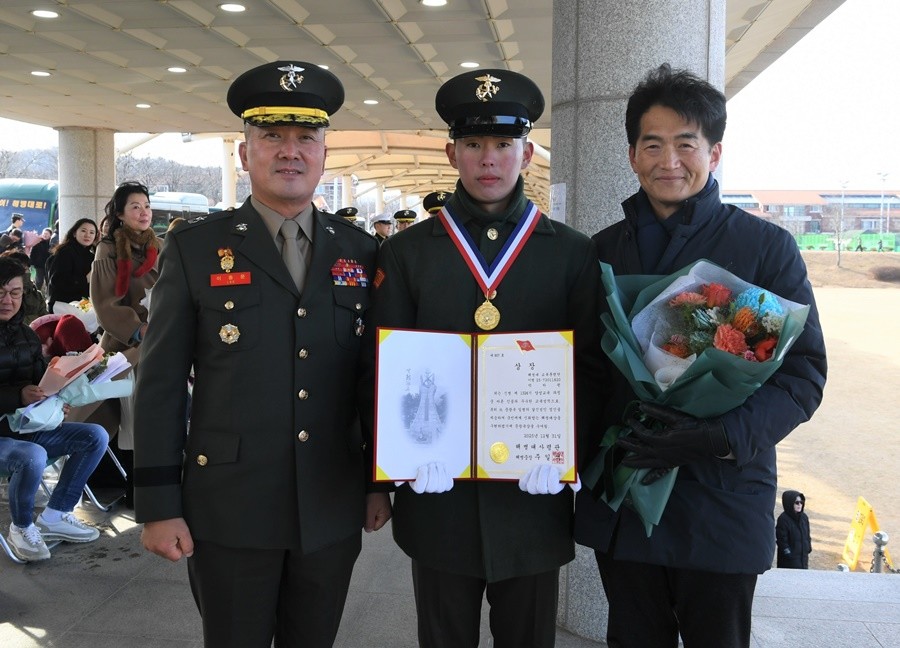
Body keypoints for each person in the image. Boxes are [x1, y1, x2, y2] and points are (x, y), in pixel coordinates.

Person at [132, 60, 390, 648]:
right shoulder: (196, 248)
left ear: (324, 154)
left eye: (306, 137)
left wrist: (379, 481)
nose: (290, 151)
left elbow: (372, 378)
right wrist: (157, 504)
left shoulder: (361, 252)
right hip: (230, 506)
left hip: (329, 501)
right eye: (272, 135)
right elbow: (161, 384)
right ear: (245, 153)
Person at [574, 64, 828, 648]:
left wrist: (719, 435)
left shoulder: (765, 247)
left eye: (685, 144)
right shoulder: (603, 251)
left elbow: (803, 375)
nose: (669, 161)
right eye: (652, 145)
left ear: (714, 153)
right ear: (632, 155)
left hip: (722, 496)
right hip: (628, 493)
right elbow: (586, 371)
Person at [365, 68, 605, 647]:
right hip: (437, 494)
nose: (488, 158)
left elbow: (591, 371)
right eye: (473, 143)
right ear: (452, 153)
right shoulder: (406, 253)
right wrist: (391, 463)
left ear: (527, 153)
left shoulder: (571, 253)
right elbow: (380, 368)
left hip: (533, 495)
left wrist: (571, 458)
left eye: (503, 143)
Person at [0, 257, 108, 562]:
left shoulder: (27, 335)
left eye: (15, 293)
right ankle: (21, 527)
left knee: (95, 436)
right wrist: (18, 396)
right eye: (0, 293)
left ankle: (56, 514)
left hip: (27, 426)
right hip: (7, 435)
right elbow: (23, 393)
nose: (8, 300)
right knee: (32, 455)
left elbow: (41, 380)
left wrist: (56, 399)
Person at [89, 183, 160, 506]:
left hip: (162, 342)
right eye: (135, 206)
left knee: (160, 417)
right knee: (133, 421)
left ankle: (159, 486)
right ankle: (136, 490)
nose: (144, 212)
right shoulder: (108, 249)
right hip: (128, 348)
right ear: (119, 214)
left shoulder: (159, 246)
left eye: (146, 205)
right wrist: (138, 329)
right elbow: (105, 303)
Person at [46, 218, 97, 312]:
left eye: (92, 232)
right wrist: (85, 279)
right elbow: (58, 281)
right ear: (74, 233)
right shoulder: (65, 252)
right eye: (83, 231)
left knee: (91, 318)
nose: (87, 235)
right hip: (64, 304)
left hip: (82, 303)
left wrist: (98, 246)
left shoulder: (90, 255)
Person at [0, 250, 48, 325]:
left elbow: (45, 319)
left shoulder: (36, 294)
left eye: (27, 268)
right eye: (1, 293)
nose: (8, 301)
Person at [775, 490, 811, 569]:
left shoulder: (804, 518)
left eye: (801, 502)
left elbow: (807, 535)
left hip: (803, 559)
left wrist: (808, 547)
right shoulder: (783, 519)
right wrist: (788, 553)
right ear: (790, 503)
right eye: (797, 502)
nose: (800, 505)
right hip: (788, 562)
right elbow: (781, 540)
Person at [29, 227, 54, 291]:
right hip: (39, 265)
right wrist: (31, 262)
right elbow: (32, 253)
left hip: (49, 265)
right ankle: (36, 293)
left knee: (49, 281)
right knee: (39, 281)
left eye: (47, 234)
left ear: (50, 235)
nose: (45, 235)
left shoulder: (51, 244)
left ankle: (48, 293)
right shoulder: (37, 242)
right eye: (44, 233)